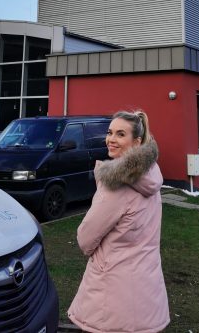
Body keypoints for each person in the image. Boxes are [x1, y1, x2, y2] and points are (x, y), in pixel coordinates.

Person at [68, 110, 170, 333]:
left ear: (137, 141)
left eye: (120, 134)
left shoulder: (116, 186)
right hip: (147, 291)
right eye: (110, 132)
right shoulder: (151, 174)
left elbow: (85, 239)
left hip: (112, 296)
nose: (111, 139)